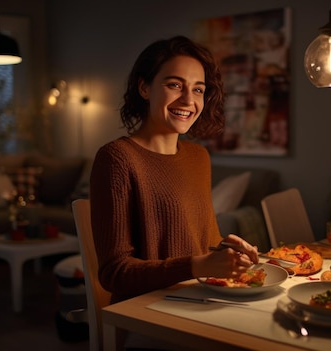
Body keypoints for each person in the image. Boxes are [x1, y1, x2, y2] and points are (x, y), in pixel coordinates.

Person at [90, 35, 259, 305]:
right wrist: (197, 266)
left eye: (198, 89)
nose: (188, 100)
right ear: (144, 88)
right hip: (148, 310)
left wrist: (227, 252)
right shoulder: (117, 159)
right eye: (174, 85)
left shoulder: (199, 156)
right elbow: (114, 274)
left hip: (202, 300)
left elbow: (203, 245)